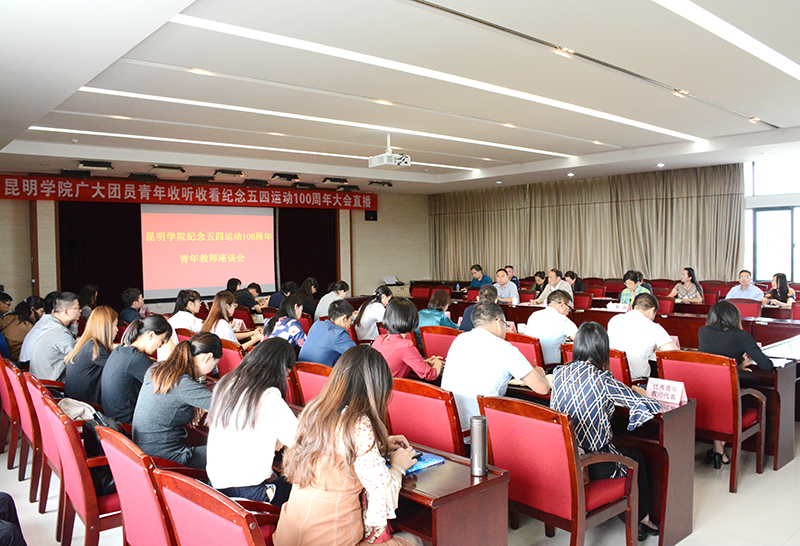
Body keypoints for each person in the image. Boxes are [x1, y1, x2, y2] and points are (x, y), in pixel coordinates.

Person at [274, 345, 422, 546]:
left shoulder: (315, 409)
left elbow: (333, 449)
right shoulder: (358, 423)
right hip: (333, 539)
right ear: (376, 390)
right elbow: (381, 492)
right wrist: (398, 467)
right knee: (413, 540)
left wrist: (380, 444)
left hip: (288, 536)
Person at [550, 322, 661, 542]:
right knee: (636, 456)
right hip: (594, 462)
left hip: (565, 458)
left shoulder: (559, 372)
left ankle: (626, 512)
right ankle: (641, 519)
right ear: (603, 349)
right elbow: (646, 406)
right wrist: (640, 392)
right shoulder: (603, 379)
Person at [207, 338, 298, 506]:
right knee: (302, 485)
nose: (285, 380)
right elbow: (300, 440)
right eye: (286, 375)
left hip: (216, 486)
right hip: (248, 495)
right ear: (280, 369)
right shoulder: (268, 396)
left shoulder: (226, 383)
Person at [441, 302, 549, 437]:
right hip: (483, 431)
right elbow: (542, 389)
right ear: (499, 322)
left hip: (451, 428)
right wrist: (540, 373)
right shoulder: (505, 349)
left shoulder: (459, 340)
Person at [698, 300, 773, 467]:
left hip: (705, 397)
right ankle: (719, 452)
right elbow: (767, 366)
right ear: (734, 317)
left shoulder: (703, 331)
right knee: (732, 403)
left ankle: (718, 451)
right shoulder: (741, 336)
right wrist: (741, 363)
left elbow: (714, 360)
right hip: (730, 402)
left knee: (717, 405)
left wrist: (737, 365)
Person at [132, 332, 218, 469]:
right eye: (215, 364)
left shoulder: (157, 368)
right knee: (231, 452)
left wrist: (197, 404)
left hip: (142, 451)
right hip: (166, 460)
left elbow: (170, 399)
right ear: (207, 358)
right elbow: (228, 407)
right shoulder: (184, 385)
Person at [101, 315, 172, 424]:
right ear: (151, 335)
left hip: (112, 417)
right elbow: (165, 387)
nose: (160, 346)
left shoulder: (120, 350)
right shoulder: (136, 359)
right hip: (127, 423)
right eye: (162, 341)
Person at [608, 293, 679, 380]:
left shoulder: (614, 320)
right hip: (637, 381)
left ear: (632, 307)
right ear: (652, 310)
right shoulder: (653, 327)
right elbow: (674, 354)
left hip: (612, 379)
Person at [373, 298, 442, 380]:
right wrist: (438, 363)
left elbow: (396, 361)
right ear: (412, 320)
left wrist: (424, 361)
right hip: (393, 387)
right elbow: (430, 375)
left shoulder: (379, 339)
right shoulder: (406, 346)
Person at [64, 306, 118, 406]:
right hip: (86, 406)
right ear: (106, 328)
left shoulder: (88, 344)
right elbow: (119, 369)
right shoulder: (95, 350)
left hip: (75, 402)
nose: (117, 330)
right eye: (115, 325)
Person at [30, 292, 80, 381]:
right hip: (52, 384)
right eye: (77, 308)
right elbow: (80, 356)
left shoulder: (49, 325)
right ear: (66, 311)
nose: (80, 311)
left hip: (38, 380)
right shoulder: (58, 332)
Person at [525, 290, 578, 365]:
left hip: (529, 364)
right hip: (550, 367)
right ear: (562, 305)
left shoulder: (534, 315)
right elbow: (580, 340)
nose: (568, 313)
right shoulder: (564, 320)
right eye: (569, 308)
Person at [298, 299, 357, 367]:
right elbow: (357, 355)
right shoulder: (339, 334)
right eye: (351, 320)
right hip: (322, 373)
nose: (350, 324)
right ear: (343, 318)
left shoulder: (317, 325)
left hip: (301, 371)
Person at [158, 289, 206, 361]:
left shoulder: (174, 318)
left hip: (166, 359)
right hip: (180, 359)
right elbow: (206, 329)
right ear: (190, 304)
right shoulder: (190, 319)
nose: (200, 305)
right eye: (199, 302)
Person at [17, 291, 58, 365]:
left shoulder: (40, 323)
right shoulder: (49, 325)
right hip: (28, 366)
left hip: (24, 365)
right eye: (41, 311)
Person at [0, 296, 43, 362]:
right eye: (41, 311)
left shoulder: (7, 318)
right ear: (32, 310)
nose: (42, 315)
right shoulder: (28, 327)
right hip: (13, 362)